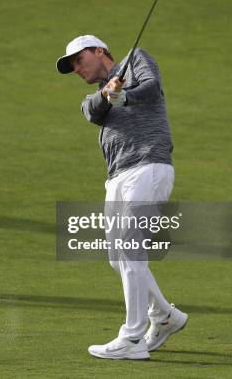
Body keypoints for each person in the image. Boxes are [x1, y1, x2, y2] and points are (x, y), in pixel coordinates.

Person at [56, 35, 188, 360]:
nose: (76, 68)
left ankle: (132, 337)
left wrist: (123, 94)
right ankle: (165, 316)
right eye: (72, 66)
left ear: (99, 50)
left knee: (129, 249)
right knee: (119, 257)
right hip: (117, 178)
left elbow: (151, 87)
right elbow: (93, 110)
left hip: (148, 165)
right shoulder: (93, 98)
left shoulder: (136, 58)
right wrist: (108, 92)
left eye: (79, 59)